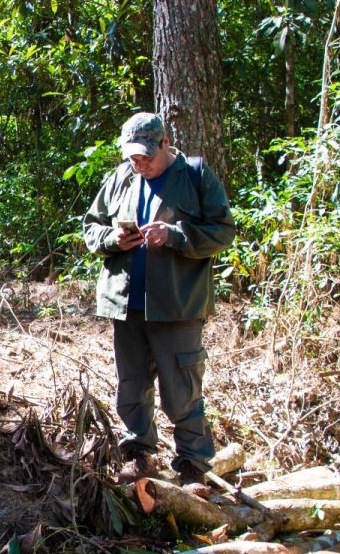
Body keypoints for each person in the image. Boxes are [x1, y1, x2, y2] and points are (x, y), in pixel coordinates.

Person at [82, 111, 236, 490]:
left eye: (146, 157)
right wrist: (112, 241)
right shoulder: (121, 177)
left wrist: (176, 235)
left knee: (182, 387)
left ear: (165, 144)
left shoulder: (195, 175)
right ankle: (138, 455)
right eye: (133, 158)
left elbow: (223, 231)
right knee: (131, 385)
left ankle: (193, 465)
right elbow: (91, 226)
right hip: (126, 302)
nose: (140, 165)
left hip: (178, 304)